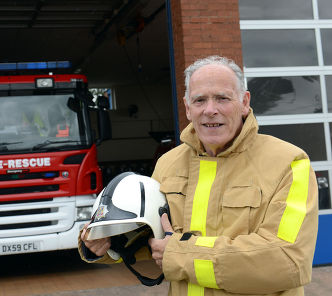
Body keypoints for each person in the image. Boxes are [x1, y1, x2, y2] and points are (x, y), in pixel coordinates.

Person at [79, 55, 318, 295]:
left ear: (244, 102)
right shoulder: (168, 164)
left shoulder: (289, 163)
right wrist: (106, 243)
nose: (210, 110)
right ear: (187, 107)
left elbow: (287, 260)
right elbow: (148, 238)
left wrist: (182, 254)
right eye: (200, 100)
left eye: (222, 98)